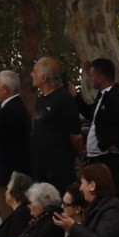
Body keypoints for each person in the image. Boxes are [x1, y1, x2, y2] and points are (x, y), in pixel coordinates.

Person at [78, 57, 119, 189]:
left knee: (110, 191)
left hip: (108, 159)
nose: (91, 80)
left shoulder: (117, 97)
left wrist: (116, 144)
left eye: (92, 76)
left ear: (100, 77)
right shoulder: (102, 96)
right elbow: (92, 115)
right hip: (95, 157)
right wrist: (76, 97)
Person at [28, 58, 78, 191]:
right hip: (39, 169)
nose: (31, 74)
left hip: (59, 170)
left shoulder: (64, 99)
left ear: (44, 77)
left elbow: (76, 136)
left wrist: (71, 157)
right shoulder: (40, 101)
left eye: (34, 71)